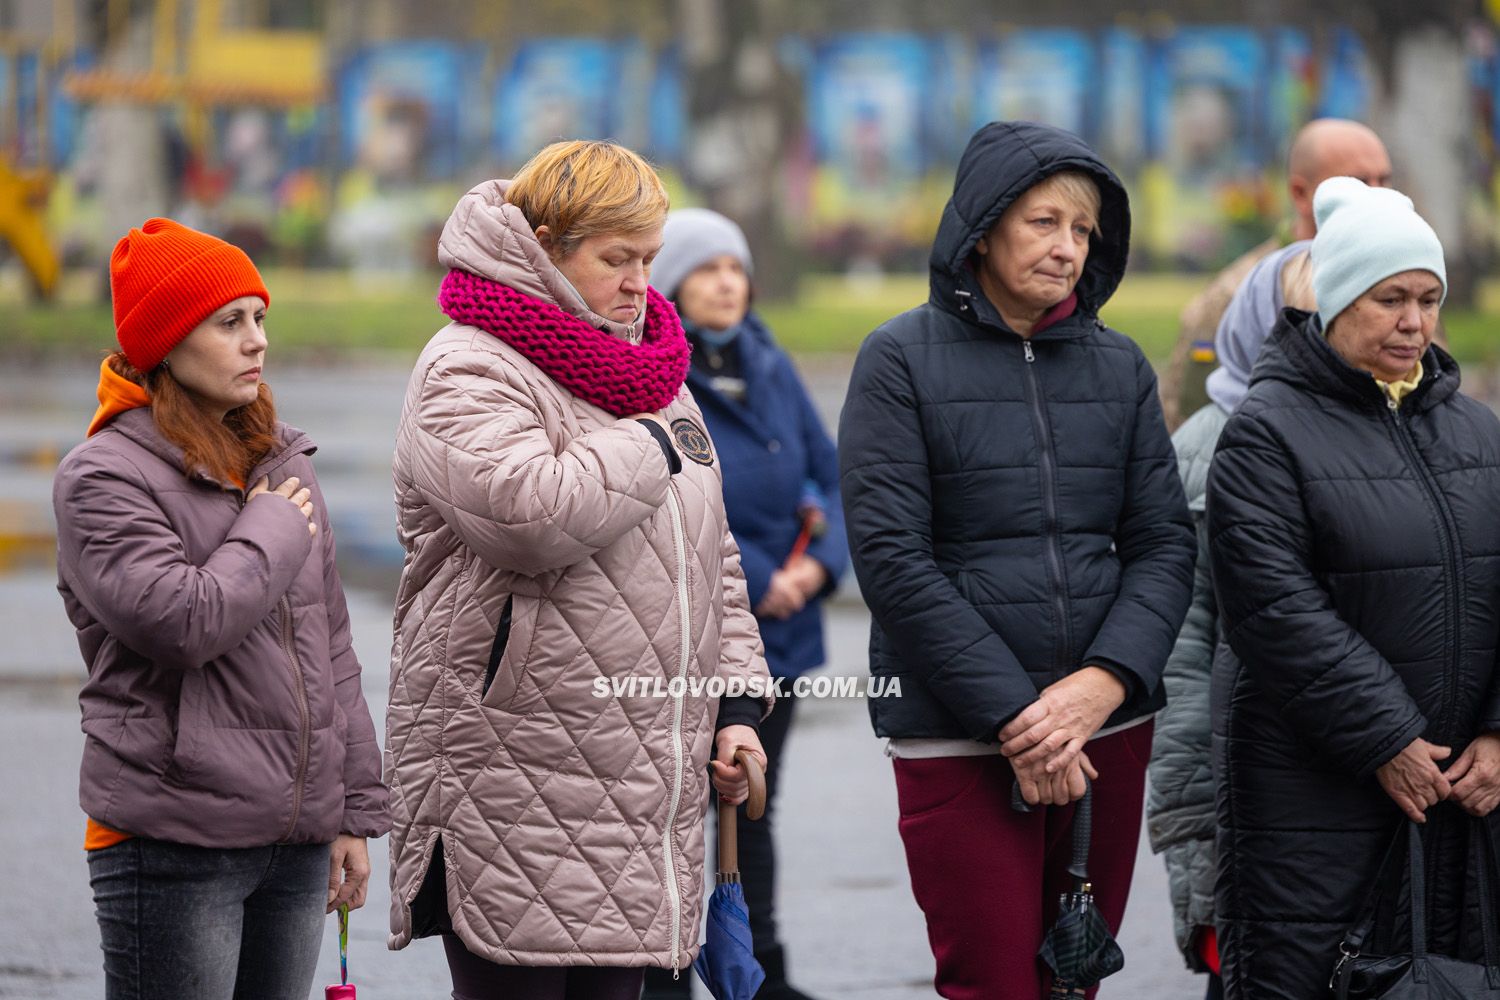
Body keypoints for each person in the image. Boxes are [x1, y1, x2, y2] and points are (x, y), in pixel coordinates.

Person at [385, 140, 774, 1000]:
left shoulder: (650, 368)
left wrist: (737, 706)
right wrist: (647, 442)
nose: (642, 282)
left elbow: (710, 557)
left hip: (640, 783)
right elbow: (531, 515)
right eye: (616, 259)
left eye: (649, 258)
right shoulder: (468, 364)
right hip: (511, 777)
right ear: (546, 247)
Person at [838, 121, 1195, 999]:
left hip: (1104, 730)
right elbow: (892, 560)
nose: (1067, 248)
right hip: (958, 735)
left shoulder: (1120, 367)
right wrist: (1020, 717)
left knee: (1075, 982)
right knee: (994, 983)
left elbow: (1161, 543)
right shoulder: (898, 360)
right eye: (1043, 223)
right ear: (983, 227)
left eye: (1083, 231)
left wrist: (1102, 684)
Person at [53, 218, 389, 999]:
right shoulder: (101, 476)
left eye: (260, 319)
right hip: (174, 840)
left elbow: (331, 648)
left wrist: (351, 813)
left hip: (296, 843)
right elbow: (182, 623)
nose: (257, 342)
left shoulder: (279, 459)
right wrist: (271, 526)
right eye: (229, 322)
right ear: (166, 343)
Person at [1207, 177, 1500, 999]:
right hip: (1313, 793)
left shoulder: (1477, 428)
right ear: (1335, 303)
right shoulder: (1266, 432)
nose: (1414, 322)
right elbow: (1273, 607)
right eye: (1390, 299)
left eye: (1430, 298)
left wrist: (1499, 734)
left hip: (1461, 790)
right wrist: (1385, 738)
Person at [641, 208, 848, 1000]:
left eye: (736, 267)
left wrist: (819, 570)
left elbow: (832, 477)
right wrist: (762, 577)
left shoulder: (768, 358)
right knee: (670, 815)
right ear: (671, 285)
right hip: (695, 637)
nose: (727, 282)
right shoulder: (658, 372)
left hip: (786, 638)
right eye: (706, 268)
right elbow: (678, 494)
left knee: (754, 808)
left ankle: (759, 975)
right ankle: (664, 977)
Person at [1159, 118, 1392, 429]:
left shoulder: (1402, 281)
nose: (1377, 197)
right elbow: (1189, 420)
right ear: (1300, 193)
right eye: (1358, 183)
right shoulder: (1237, 295)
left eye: (1384, 181)